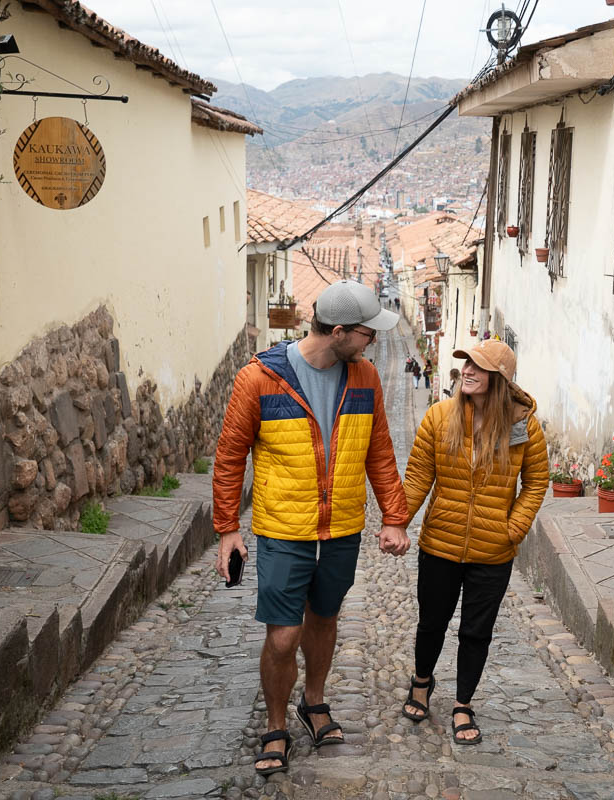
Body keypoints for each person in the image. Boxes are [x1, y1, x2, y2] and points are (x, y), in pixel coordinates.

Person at [214, 280, 411, 776]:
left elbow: (380, 451)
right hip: (284, 528)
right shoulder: (258, 379)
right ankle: (275, 727)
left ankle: (314, 701)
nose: (374, 342)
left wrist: (393, 517)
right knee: (283, 636)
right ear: (339, 331)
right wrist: (227, 529)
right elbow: (230, 456)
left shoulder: (364, 377)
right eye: (368, 334)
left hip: (342, 526)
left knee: (324, 619)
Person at [398, 340, 548, 745]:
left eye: (478, 367)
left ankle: (463, 703)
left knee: (476, 631)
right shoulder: (438, 416)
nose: (467, 369)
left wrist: (510, 530)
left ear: (498, 380)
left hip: (492, 552)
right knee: (431, 622)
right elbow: (416, 480)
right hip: (440, 545)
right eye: (466, 362)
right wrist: (397, 523)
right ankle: (421, 681)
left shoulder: (523, 426)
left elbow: (536, 484)